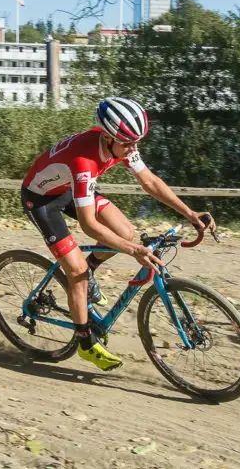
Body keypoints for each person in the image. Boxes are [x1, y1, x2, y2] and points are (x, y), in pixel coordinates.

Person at [21, 97, 216, 371]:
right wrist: (134, 250)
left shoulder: (121, 144)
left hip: (67, 189)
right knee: (75, 272)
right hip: (41, 200)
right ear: (108, 137)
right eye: (127, 143)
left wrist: (189, 213)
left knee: (125, 230)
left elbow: (149, 181)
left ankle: (90, 271)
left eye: (136, 142)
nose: (133, 148)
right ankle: (85, 342)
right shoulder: (84, 161)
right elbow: (89, 225)